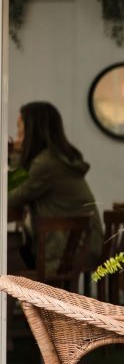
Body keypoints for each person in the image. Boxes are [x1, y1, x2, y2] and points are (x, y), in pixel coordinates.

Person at [9, 101, 104, 275]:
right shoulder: (56, 157)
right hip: (83, 242)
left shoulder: (46, 163)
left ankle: (29, 301)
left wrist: (15, 155)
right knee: (12, 250)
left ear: (32, 130)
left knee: (8, 259)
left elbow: (10, 197)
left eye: (19, 127)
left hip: (69, 250)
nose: (17, 133)